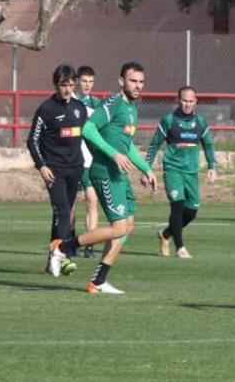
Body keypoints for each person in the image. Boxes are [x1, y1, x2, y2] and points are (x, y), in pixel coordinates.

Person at [48, 62, 157, 294]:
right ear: (121, 81)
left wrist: (146, 169)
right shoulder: (112, 103)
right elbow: (88, 129)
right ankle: (62, 247)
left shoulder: (132, 108)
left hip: (120, 174)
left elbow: (127, 147)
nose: (137, 86)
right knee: (118, 227)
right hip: (104, 172)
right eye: (133, 81)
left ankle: (97, 281)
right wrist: (112, 153)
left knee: (128, 225)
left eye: (141, 82)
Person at [27, 64, 87, 276]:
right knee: (62, 212)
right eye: (64, 85)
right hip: (55, 171)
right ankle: (63, 256)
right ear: (56, 84)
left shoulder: (80, 108)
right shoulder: (46, 109)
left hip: (75, 169)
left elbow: (87, 137)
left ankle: (50, 261)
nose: (68, 89)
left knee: (63, 215)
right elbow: (32, 142)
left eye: (71, 84)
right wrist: (42, 166)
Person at [145, 86, 218, 259]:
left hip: (191, 172)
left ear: (196, 102)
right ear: (177, 100)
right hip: (173, 170)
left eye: (191, 101)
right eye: (184, 100)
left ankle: (165, 234)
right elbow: (154, 144)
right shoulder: (169, 120)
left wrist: (212, 166)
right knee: (177, 206)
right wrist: (146, 168)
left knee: (191, 211)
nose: (187, 104)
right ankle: (180, 248)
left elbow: (208, 145)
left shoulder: (200, 122)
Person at [71, 65, 103, 258]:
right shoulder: (70, 102)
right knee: (70, 204)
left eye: (91, 82)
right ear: (77, 82)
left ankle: (89, 244)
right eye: (84, 81)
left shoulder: (97, 104)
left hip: (90, 162)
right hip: (73, 161)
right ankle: (71, 241)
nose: (87, 85)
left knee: (92, 201)